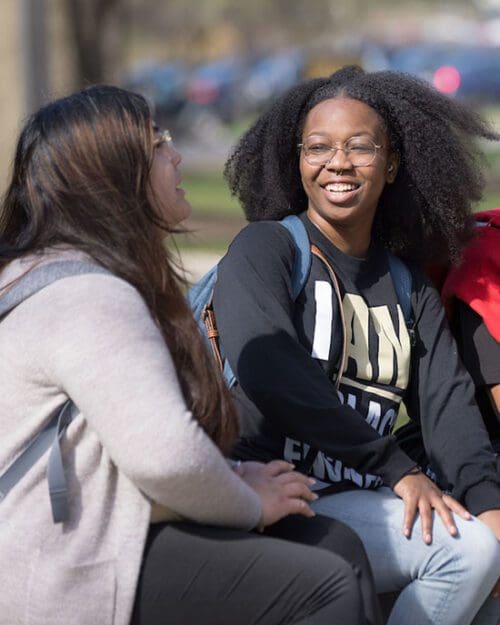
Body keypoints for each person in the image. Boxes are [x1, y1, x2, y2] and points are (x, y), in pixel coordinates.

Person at [0, 85, 383, 625]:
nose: (175, 155)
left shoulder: (70, 272)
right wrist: (248, 500)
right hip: (61, 563)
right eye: (158, 142)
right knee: (323, 586)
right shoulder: (86, 295)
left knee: (332, 543)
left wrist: (234, 477)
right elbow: (166, 458)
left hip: (110, 528)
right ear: (115, 174)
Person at [210, 66, 500, 625]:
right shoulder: (266, 249)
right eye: (318, 147)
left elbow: (448, 408)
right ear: (297, 160)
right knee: (465, 555)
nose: (337, 162)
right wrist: (393, 466)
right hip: (264, 492)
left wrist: (489, 505)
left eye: (359, 147)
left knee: (488, 574)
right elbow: (272, 370)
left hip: (350, 495)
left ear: (391, 164)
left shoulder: (408, 284)